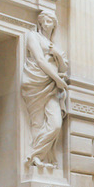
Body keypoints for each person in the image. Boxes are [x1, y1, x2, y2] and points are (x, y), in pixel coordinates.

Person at [21, 10, 68, 172]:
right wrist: (58, 79)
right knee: (37, 122)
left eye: (50, 22)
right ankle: (37, 160)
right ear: (40, 23)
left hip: (52, 86)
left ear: (54, 25)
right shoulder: (33, 36)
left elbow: (63, 67)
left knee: (55, 124)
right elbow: (39, 59)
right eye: (45, 21)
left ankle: (35, 154)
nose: (47, 24)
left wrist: (58, 55)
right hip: (36, 82)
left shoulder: (55, 46)